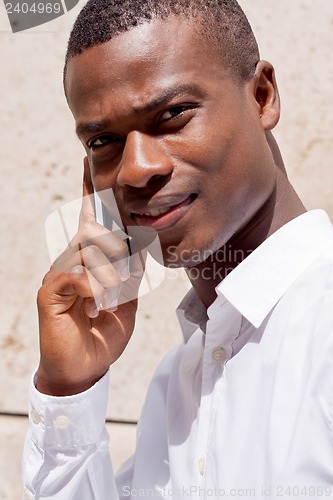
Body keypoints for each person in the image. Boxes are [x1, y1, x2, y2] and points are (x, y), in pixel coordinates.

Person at [22, 0, 333, 498]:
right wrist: (69, 390)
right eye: (104, 141)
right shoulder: (177, 383)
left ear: (261, 95)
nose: (135, 169)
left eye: (172, 114)